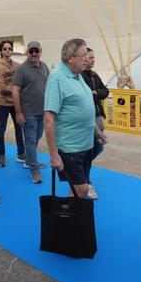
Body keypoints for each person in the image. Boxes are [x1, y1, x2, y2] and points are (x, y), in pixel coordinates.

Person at [45, 38, 107, 199]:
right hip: (71, 148)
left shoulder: (78, 75)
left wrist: (97, 132)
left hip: (86, 146)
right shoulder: (57, 78)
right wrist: (53, 155)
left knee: (76, 190)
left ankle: (70, 220)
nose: (87, 58)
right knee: (82, 190)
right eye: (84, 54)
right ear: (71, 58)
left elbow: (83, 110)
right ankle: (65, 220)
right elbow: (49, 119)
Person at [12, 41, 50, 183]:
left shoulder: (45, 67)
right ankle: (34, 169)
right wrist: (19, 112)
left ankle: (29, 160)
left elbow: (49, 86)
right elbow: (15, 90)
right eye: (31, 51)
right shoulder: (22, 70)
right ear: (27, 53)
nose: (34, 54)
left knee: (37, 137)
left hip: (43, 112)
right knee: (30, 140)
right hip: (28, 112)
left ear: (40, 51)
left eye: (36, 51)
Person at [82, 48, 109, 199]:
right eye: (91, 58)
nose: (93, 60)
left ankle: (79, 168)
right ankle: (86, 181)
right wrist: (94, 93)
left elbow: (106, 91)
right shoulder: (79, 77)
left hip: (98, 115)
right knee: (90, 149)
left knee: (98, 147)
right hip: (87, 118)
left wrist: (96, 93)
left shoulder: (93, 75)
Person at [0, 40, 24, 167]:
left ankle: (21, 153)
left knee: (19, 128)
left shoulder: (17, 65)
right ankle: (1, 154)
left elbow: (23, 81)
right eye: (5, 49)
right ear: (1, 51)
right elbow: (0, 87)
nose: (7, 51)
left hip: (16, 102)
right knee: (1, 129)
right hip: (4, 103)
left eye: (9, 48)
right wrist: (15, 89)